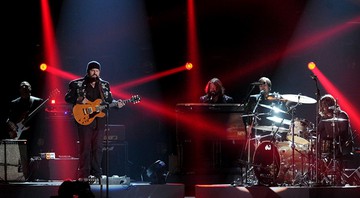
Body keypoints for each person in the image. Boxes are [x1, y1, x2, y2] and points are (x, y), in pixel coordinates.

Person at [64, 60, 125, 182]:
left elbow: (109, 101)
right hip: (84, 119)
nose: (95, 73)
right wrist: (79, 99)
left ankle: (96, 173)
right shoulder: (77, 84)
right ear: (88, 71)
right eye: (92, 70)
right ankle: (83, 174)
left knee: (98, 147)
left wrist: (117, 105)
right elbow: (67, 98)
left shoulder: (104, 85)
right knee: (85, 147)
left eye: (97, 71)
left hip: (99, 120)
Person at [5, 81, 44, 181]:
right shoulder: (14, 103)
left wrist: (41, 137)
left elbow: (42, 122)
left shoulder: (37, 101)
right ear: (19, 90)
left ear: (30, 88)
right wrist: (12, 128)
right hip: (20, 134)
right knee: (22, 157)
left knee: (34, 156)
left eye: (26, 86)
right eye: (22, 86)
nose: (24, 88)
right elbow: (9, 119)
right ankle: (23, 177)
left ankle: (35, 177)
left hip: (34, 134)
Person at [317, 94, 354, 184]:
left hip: (343, 145)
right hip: (330, 146)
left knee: (334, 151)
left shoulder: (342, 115)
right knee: (319, 151)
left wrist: (331, 137)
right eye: (322, 106)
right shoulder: (324, 118)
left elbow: (343, 131)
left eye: (325, 105)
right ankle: (321, 177)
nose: (323, 108)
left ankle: (338, 178)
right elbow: (317, 131)